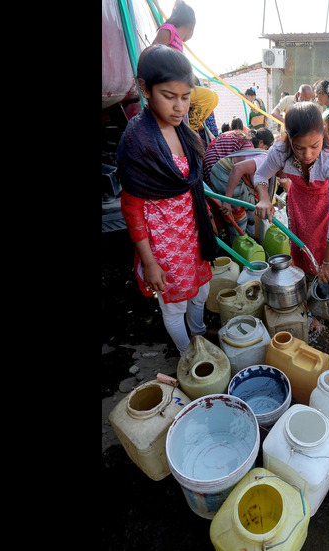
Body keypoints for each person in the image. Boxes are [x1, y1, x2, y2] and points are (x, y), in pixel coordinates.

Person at [116, 44, 221, 355]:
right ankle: (188, 351)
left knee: (201, 292)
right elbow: (132, 210)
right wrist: (149, 263)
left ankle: (200, 333)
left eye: (185, 97)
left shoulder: (183, 129)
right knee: (173, 306)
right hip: (163, 244)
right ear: (145, 89)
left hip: (192, 232)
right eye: (169, 96)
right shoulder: (137, 142)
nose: (180, 107)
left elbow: (193, 186)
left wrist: (210, 219)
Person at [252, 102, 329, 331]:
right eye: (299, 148)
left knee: (326, 266)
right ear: (289, 139)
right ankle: (308, 304)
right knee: (303, 257)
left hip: (327, 211)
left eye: (314, 146)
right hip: (300, 207)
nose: (308, 154)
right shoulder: (280, 151)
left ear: (323, 132)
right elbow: (260, 175)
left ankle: (322, 312)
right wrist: (264, 197)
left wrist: (328, 261)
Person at [151, 1, 218, 136]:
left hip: (177, 87)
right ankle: (187, 131)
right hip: (168, 86)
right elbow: (152, 55)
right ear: (190, 28)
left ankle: (187, 129)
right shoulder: (168, 29)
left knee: (213, 97)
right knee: (209, 97)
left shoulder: (177, 41)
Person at [207, 128, 275, 242]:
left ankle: (249, 238)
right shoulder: (259, 154)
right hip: (221, 170)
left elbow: (249, 178)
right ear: (261, 142)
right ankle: (240, 241)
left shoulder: (252, 147)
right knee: (237, 210)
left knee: (250, 202)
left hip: (223, 166)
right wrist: (227, 201)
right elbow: (237, 168)